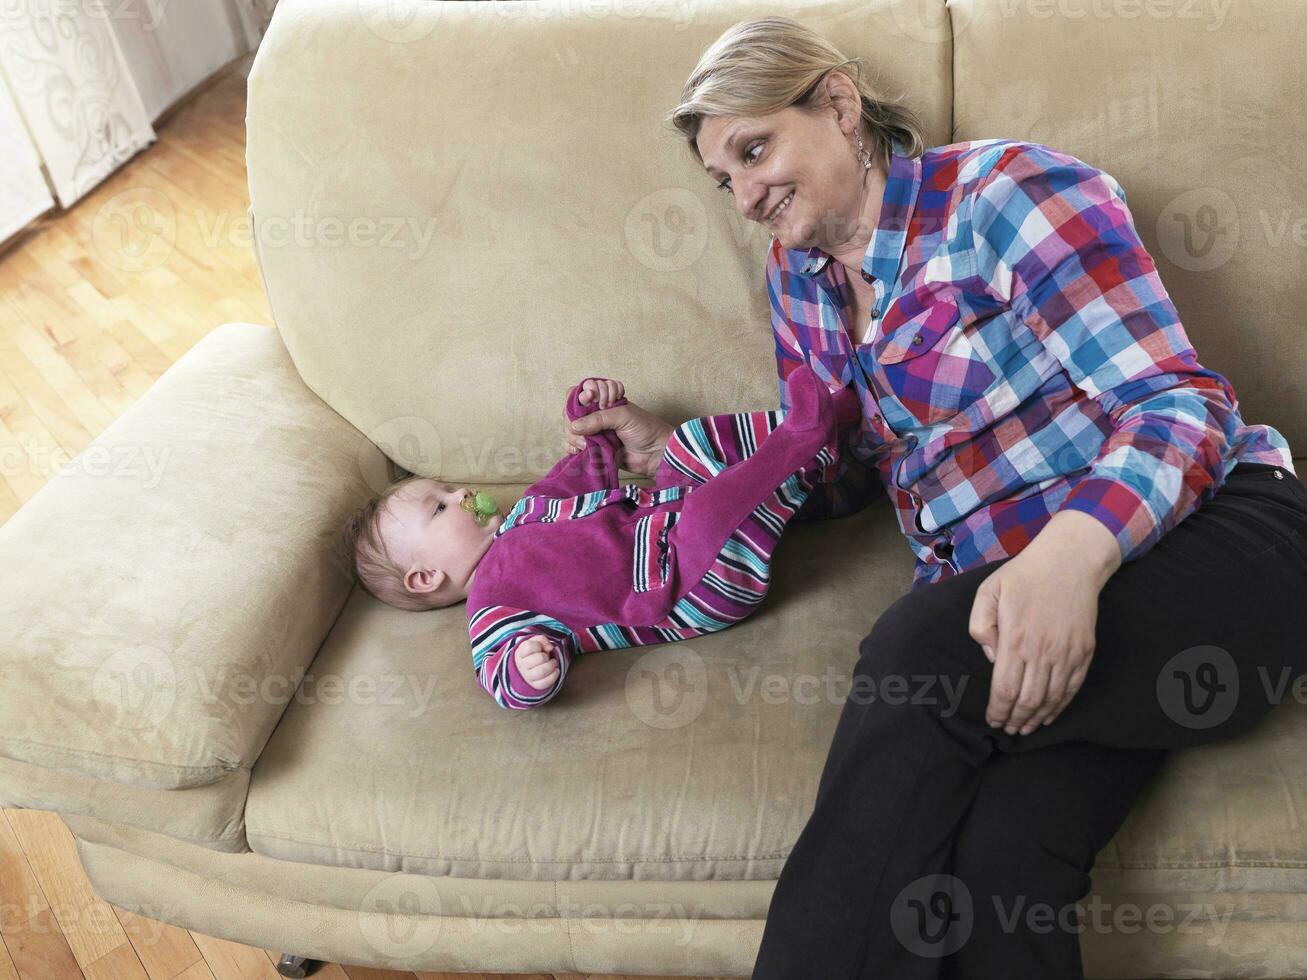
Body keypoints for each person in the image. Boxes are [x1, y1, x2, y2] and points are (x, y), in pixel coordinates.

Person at [561, 14, 1307, 978]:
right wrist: (677, 457)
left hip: (1220, 549)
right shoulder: (798, 285)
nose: (744, 195)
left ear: (836, 106)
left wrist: (1067, 558)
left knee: (917, 650)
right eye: (722, 178)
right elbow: (835, 471)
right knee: (998, 867)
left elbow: (1178, 405)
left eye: (755, 150)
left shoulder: (1005, 196)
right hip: (1022, 622)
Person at [340, 365, 862, 709]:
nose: (461, 495)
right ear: (427, 576)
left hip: (668, 517)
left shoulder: (529, 510)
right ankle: (799, 444)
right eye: (441, 506)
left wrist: (588, 419)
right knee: (709, 514)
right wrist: (526, 671)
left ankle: (824, 428)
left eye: (450, 489)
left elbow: (584, 466)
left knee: (687, 446)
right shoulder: (494, 602)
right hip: (686, 587)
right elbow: (498, 670)